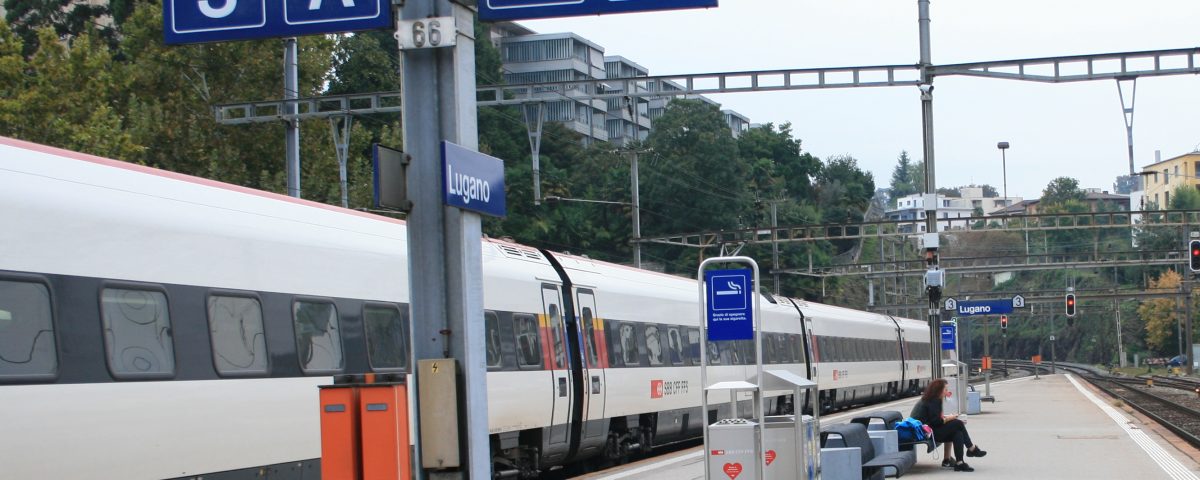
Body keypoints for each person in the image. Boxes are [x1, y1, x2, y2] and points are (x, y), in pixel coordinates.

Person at [910, 379, 987, 472]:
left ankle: (960, 463)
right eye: (945, 389)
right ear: (938, 390)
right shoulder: (934, 400)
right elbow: (936, 422)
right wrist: (950, 418)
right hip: (926, 432)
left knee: (957, 432)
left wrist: (949, 417)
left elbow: (933, 419)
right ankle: (971, 448)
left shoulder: (930, 399)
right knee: (958, 423)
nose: (947, 392)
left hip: (926, 430)